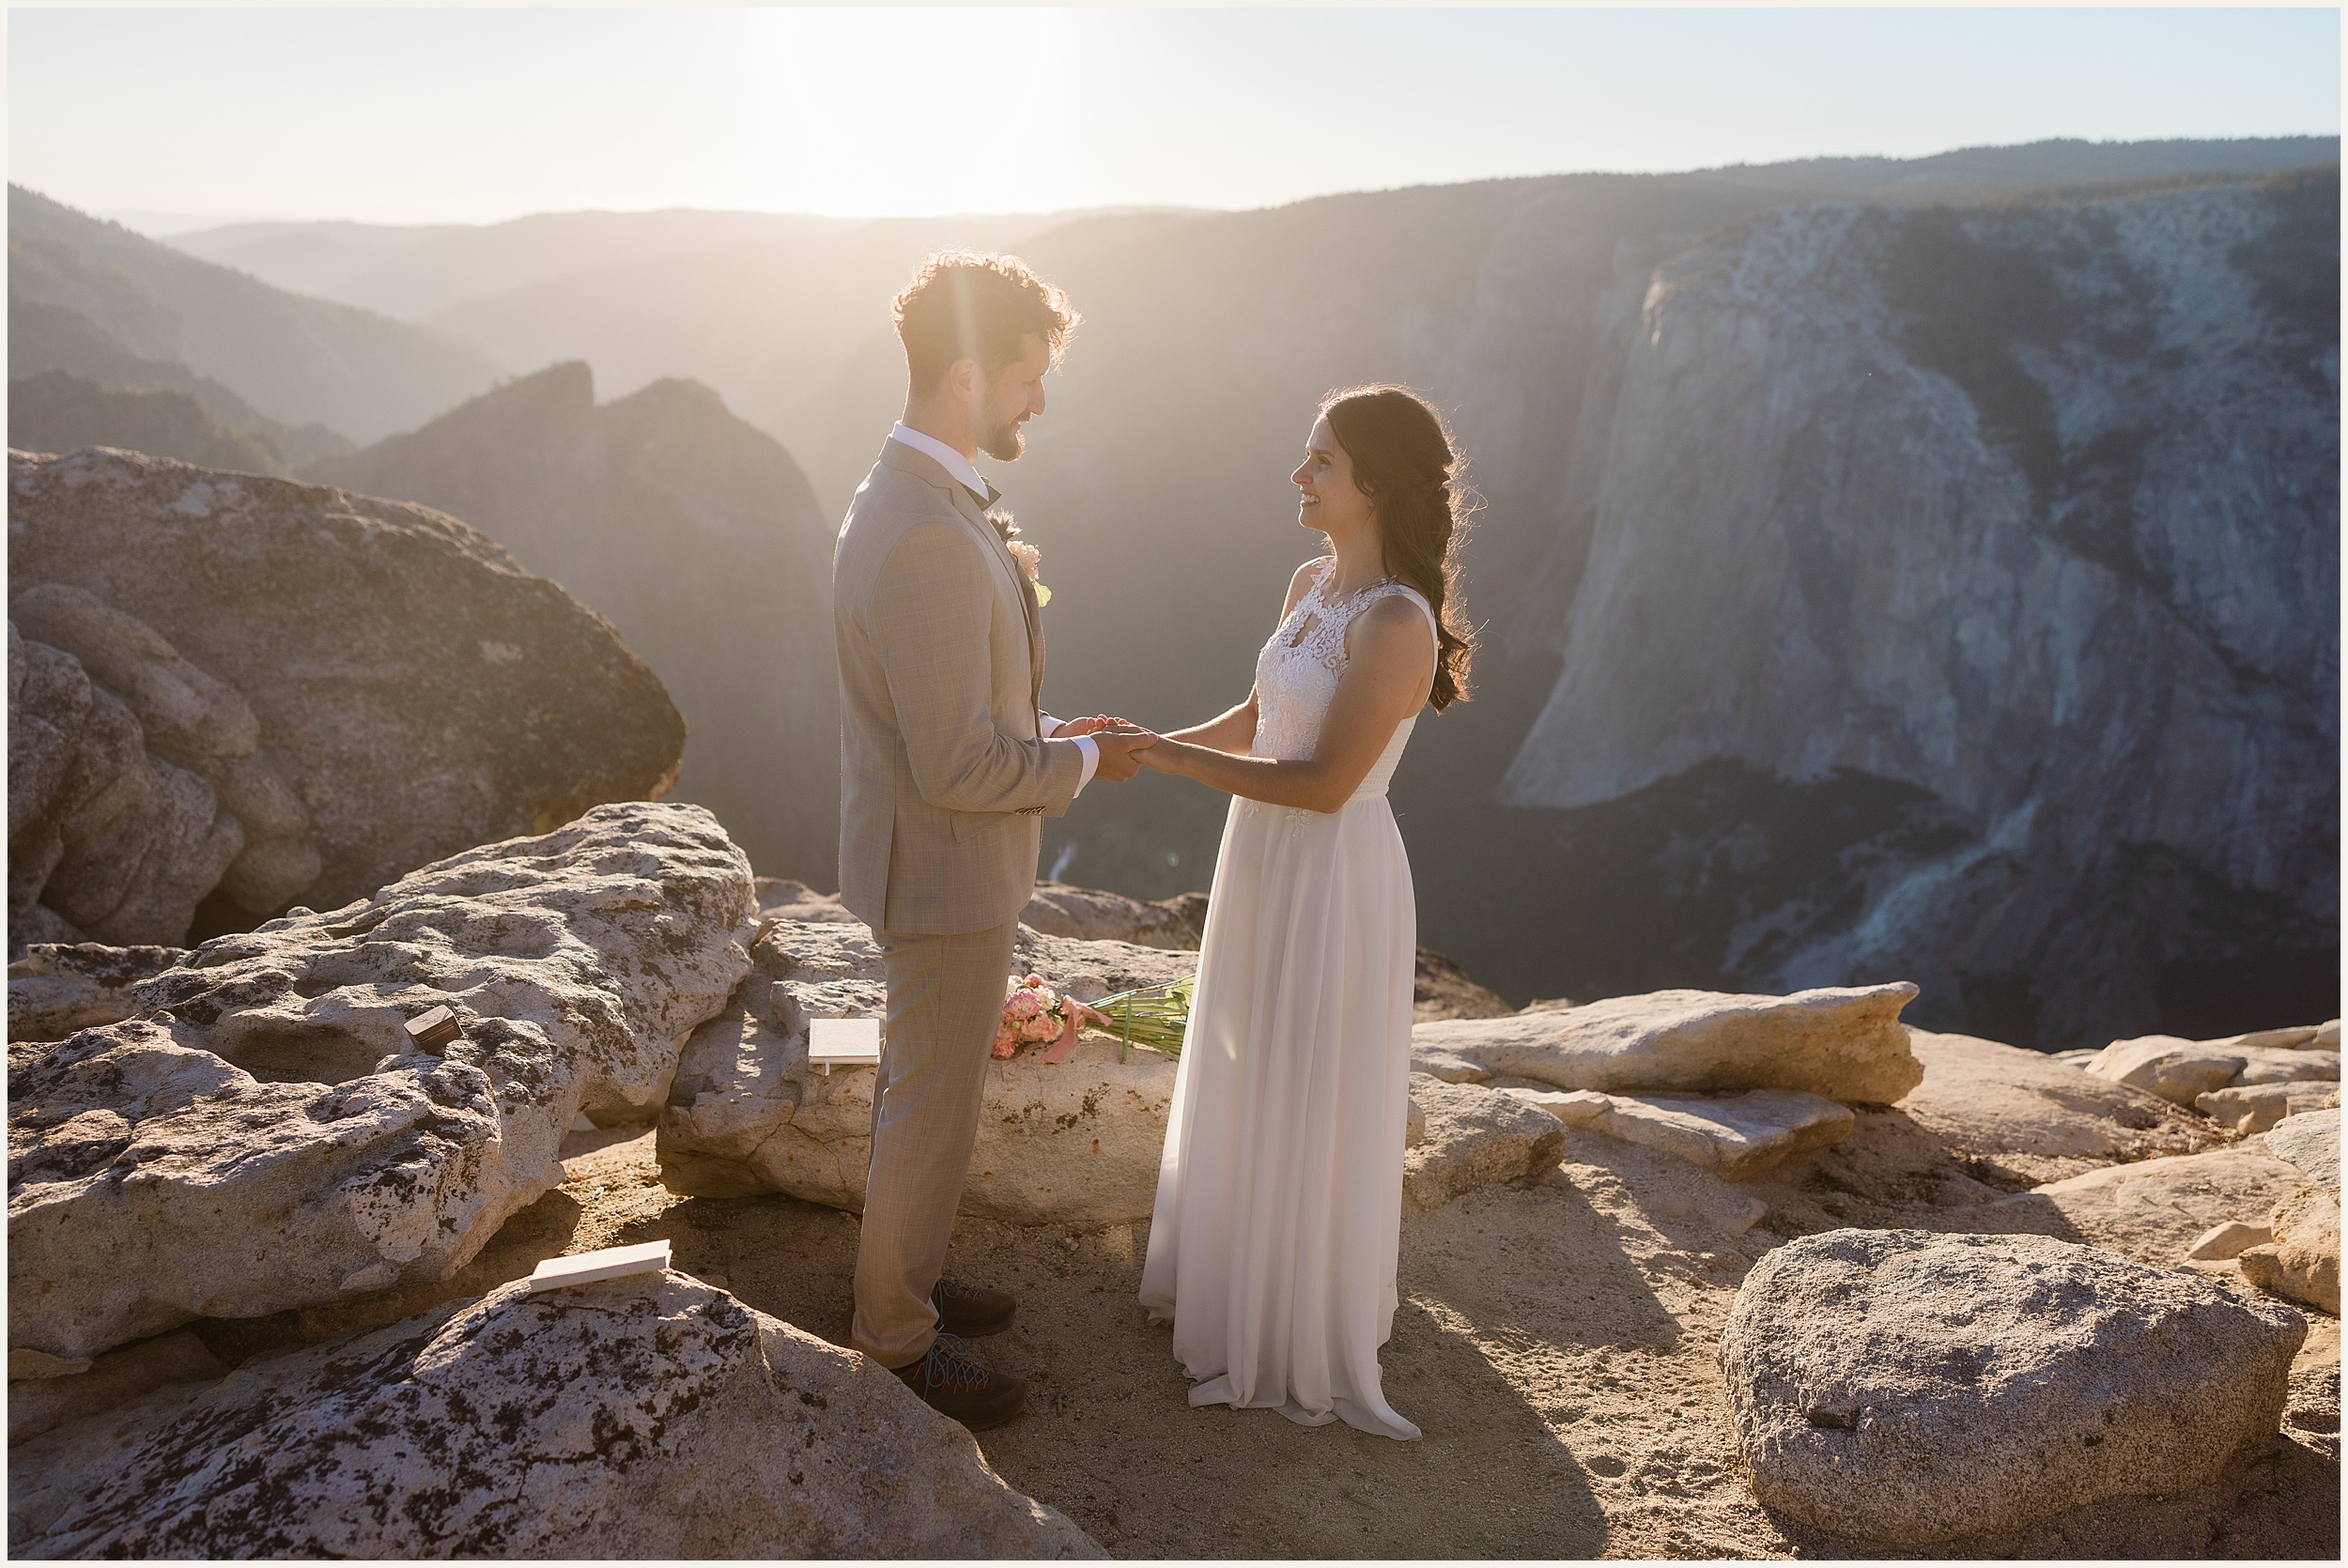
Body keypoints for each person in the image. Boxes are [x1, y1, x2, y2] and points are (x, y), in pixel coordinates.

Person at [833, 251, 1156, 1429]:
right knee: (930, 1104)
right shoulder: (924, 531)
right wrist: (1079, 763)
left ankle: (899, 1272)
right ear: (968, 375)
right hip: (943, 871)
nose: (1038, 401)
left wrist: (1052, 725)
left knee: (929, 1091)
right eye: (1028, 376)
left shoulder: (924, 495)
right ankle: (897, 1340)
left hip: (939, 862)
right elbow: (956, 765)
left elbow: (960, 713)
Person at [1133, 383, 1475, 1439]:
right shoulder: (1310, 581)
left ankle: (1292, 1321)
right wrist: (1146, 741)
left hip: (1331, 871)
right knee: (1248, 1065)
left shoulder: (1396, 622)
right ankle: (1233, 1284)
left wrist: (1166, 763)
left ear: (1373, 484)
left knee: (1305, 1076)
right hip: (1262, 856)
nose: (1299, 474)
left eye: (1319, 461)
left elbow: (1326, 781)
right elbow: (1259, 716)